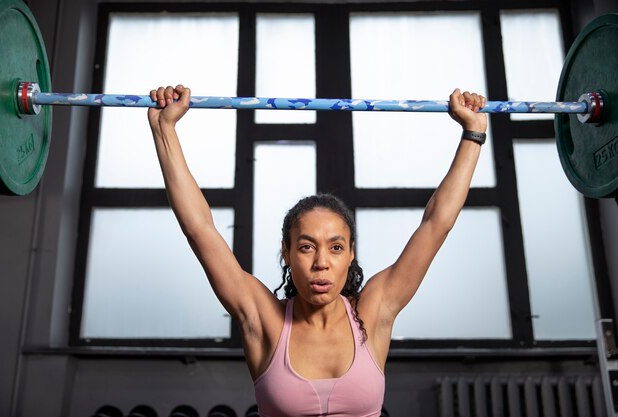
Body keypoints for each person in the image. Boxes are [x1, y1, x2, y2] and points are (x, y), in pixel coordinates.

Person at [148, 85, 487, 417]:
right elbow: (199, 230)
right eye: (307, 247)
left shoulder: (374, 310)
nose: (321, 263)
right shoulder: (264, 319)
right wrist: (165, 130)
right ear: (287, 252)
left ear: (351, 253)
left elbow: (436, 224)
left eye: (335, 247)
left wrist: (473, 134)